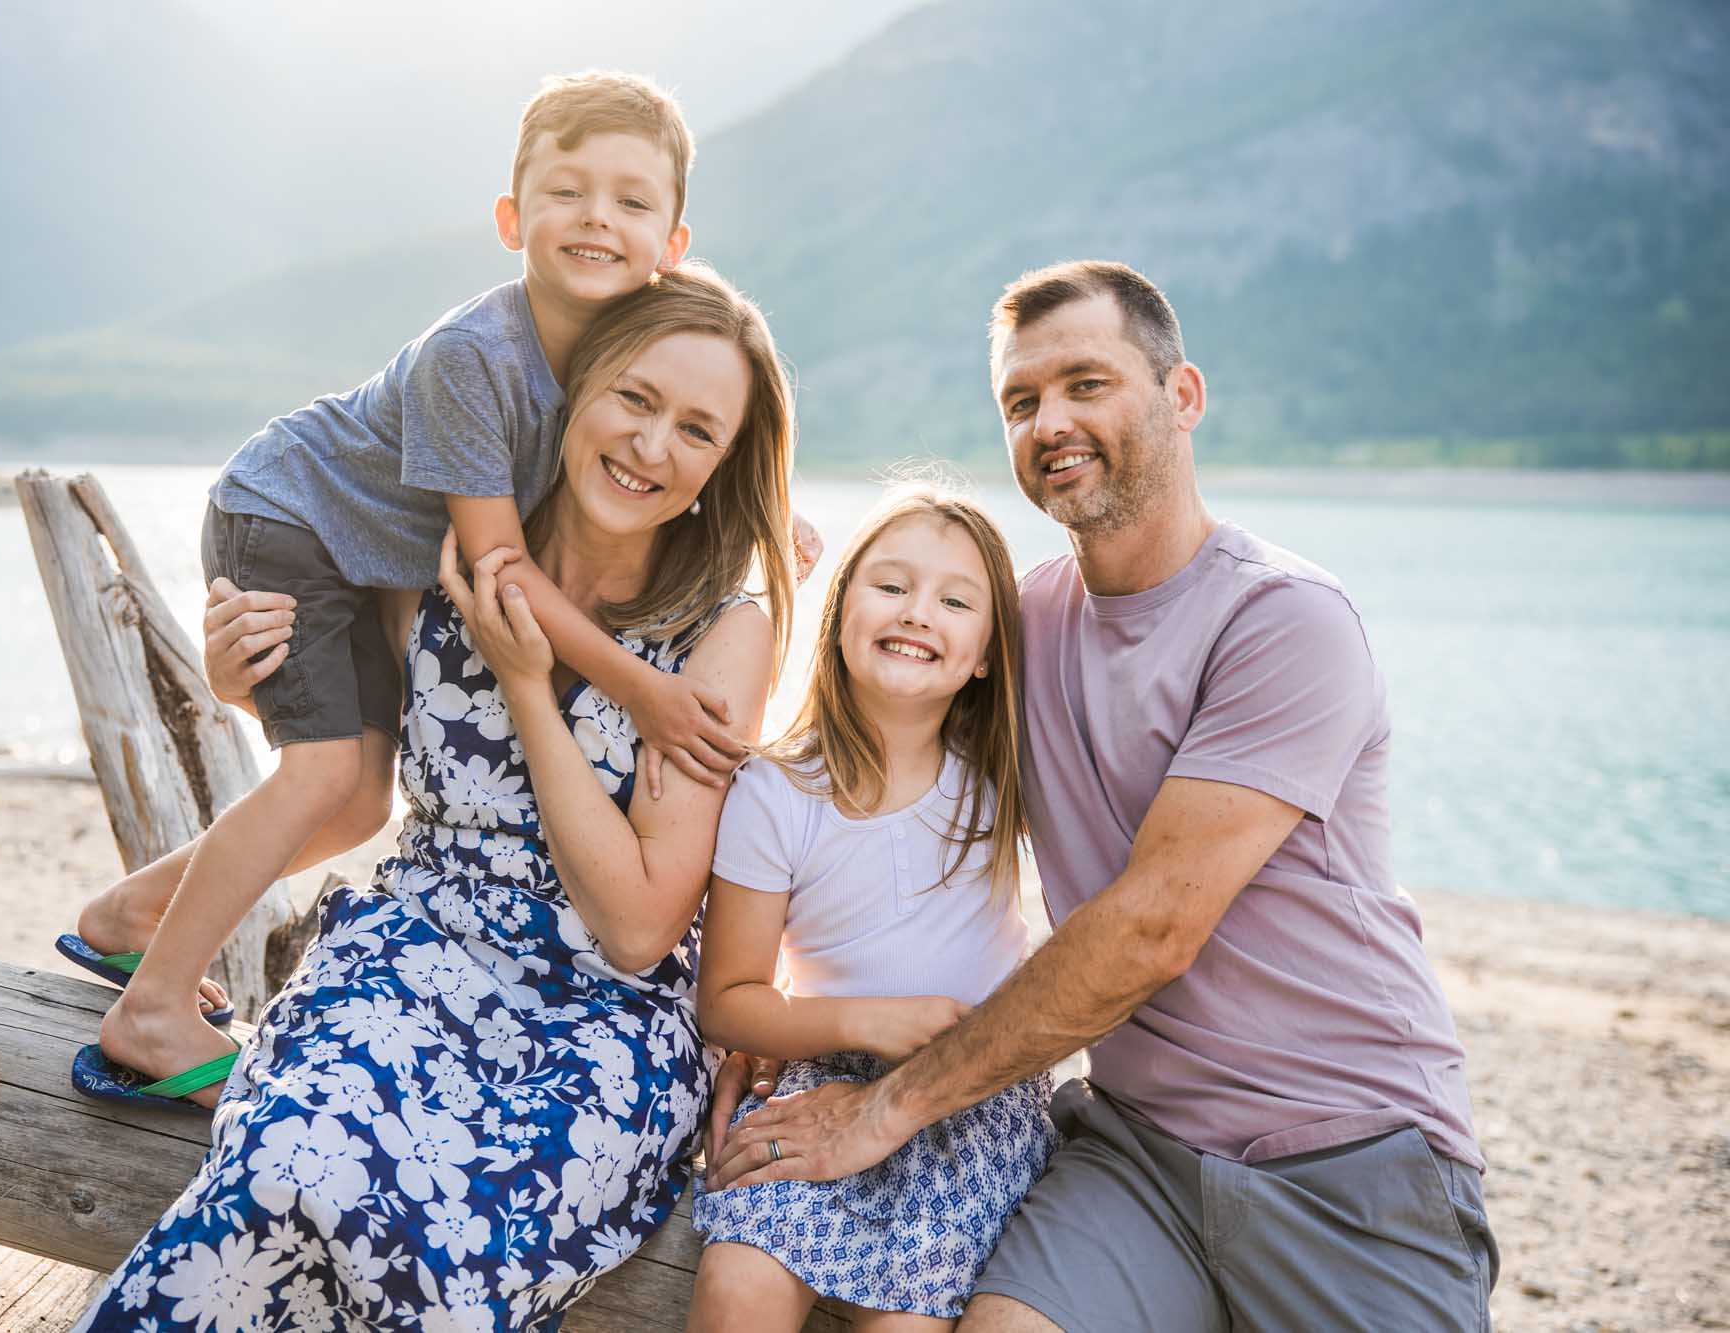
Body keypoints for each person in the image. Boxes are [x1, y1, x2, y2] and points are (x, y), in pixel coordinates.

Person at [711, 261, 1499, 1331]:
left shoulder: (1283, 621)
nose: (1050, 422)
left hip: (1344, 1157)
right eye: (1020, 401)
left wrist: (884, 1106)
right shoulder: (1020, 626)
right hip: (1137, 1158)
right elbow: (874, 711)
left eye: (1086, 383)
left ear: (1182, 396)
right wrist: (772, 1023)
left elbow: (1150, 929)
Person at [72, 263, 796, 1331]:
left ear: (724, 463)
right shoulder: (430, 548)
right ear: (576, 391)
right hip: (413, 946)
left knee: (441, 1258)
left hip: (602, 1026)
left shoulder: (725, 629)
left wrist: (526, 686)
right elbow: (337, 731)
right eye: (634, 399)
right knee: (285, 1161)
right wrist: (243, 680)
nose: (652, 446)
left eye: (697, 430)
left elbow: (640, 925)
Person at [60, 71, 780, 1099]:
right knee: (322, 772)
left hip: (362, 559)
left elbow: (704, 403)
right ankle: (154, 1006)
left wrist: (769, 523)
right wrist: (645, 688)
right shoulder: (472, 360)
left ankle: (131, 914)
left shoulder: (616, 354)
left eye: (630, 201)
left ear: (672, 244)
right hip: (294, 520)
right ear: (510, 218)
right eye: (567, 191)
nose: (596, 218)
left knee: (359, 802)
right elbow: (498, 570)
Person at [685, 486, 1054, 1332]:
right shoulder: (776, 790)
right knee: (738, 1283)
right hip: (823, 1076)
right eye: (891, 585)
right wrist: (868, 1021)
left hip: (975, 1100)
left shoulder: (1004, 776)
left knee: (907, 1321)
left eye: (955, 601)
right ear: (841, 610)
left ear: (987, 653)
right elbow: (729, 999)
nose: (918, 611)